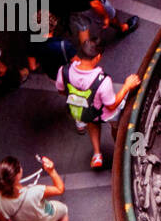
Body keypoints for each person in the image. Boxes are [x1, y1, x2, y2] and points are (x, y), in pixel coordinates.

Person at [57, 39, 141, 170]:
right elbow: (111, 105)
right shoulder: (103, 81)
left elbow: (61, 91)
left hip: (84, 112)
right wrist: (127, 86)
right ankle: (120, 152)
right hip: (104, 113)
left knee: (92, 123)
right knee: (116, 126)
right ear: (98, 57)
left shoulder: (64, 71)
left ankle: (97, 155)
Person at [19, 10, 75, 84]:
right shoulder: (64, 44)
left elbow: (33, 67)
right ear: (54, 24)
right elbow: (76, 62)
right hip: (68, 76)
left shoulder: (32, 44)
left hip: (52, 77)